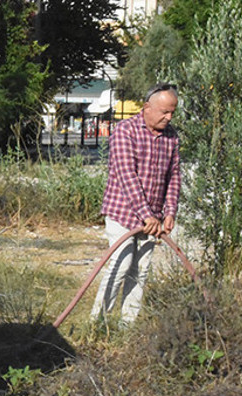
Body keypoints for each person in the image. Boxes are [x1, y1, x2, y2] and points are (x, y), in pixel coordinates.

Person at [90, 82, 181, 326]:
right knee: (121, 264)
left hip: (153, 219)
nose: (168, 117)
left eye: (172, 112)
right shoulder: (125, 130)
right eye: (164, 112)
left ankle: (127, 326)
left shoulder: (171, 137)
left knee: (140, 271)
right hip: (123, 212)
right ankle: (98, 324)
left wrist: (170, 212)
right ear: (147, 107)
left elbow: (174, 176)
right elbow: (126, 175)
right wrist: (146, 215)